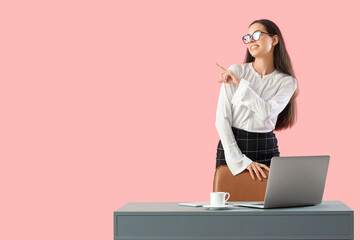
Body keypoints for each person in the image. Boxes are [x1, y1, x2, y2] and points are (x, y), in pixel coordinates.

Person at [215, 19, 299, 181]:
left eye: (257, 35)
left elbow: (267, 113)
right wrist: (240, 161)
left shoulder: (287, 82)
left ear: (274, 40)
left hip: (266, 146)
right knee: (230, 203)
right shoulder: (236, 70)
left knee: (271, 202)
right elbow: (221, 120)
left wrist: (241, 84)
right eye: (247, 37)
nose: (251, 40)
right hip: (232, 147)